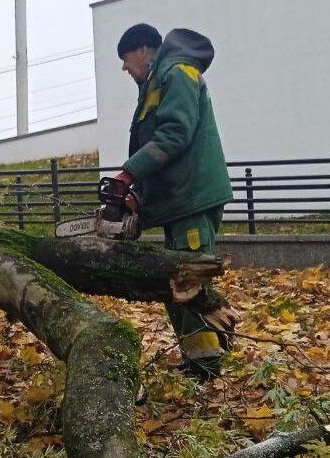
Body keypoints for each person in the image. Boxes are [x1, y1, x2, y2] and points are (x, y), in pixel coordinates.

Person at [108, 24, 234, 380]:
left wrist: (128, 173)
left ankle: (206, 366)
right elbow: (159, 148)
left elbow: (175, 134)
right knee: (175, 281)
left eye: (126, 58)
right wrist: (139, 198)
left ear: (143, 50)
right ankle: (196, 358)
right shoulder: (155, 84)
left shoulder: (178, 74)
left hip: (192, 196)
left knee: (190, 278)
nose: (124, 67)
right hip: (179, 198)